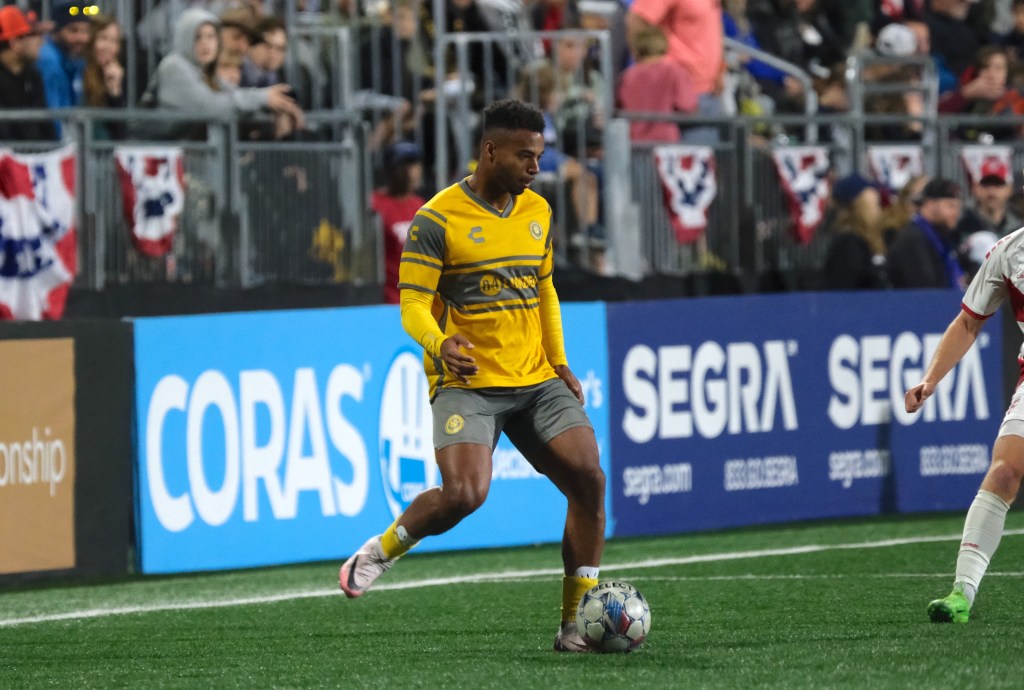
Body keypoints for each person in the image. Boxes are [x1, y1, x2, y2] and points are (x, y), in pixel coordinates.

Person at [338, 99, 606, 654]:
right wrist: (440, 343)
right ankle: (383, 549)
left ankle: (575, 623)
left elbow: (545, 290)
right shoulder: (437, 219)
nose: (535, 166)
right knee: (464, 495)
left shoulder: (538, 212)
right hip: (467, 382)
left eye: (541, 155)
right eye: (524, 155)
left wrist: (559, 360)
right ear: (489, 150)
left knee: (589, 480)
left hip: (535, 379)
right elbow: (412, 305)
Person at [907, 222, 1024, 624]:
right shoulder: (1009, 252)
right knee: (1005, 470)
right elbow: (969, 322)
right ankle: (962, 593)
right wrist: (931, 378)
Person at [617, 20, 697, 142]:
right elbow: (687, 105)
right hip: (665, 143)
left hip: (635, 143)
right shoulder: (674, 71)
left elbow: (619, 106)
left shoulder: (628, 76)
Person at [371, 141, 426, 304]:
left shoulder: (421, 206)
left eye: (414, 165)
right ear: (390, 170)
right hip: (388, 301)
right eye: (404, 166)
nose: (411, 172)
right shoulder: (374, 205)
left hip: (419, 301)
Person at [886, 177, 966, 289]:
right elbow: (925, 288)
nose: (956, 213)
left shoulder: (942, 236)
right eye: (950, 206)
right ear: (929, 204)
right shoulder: (913, 240)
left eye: (958, 207)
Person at [822, 173, 889, 289]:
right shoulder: (849, 242)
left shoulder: (868, 238)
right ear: (859, 205)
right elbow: (846, 287)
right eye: (874, 203)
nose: (878, 208)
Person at [0, 5, 57, 141]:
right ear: (14, 43)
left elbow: (46, 126)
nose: (41, 42)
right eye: (33, 35)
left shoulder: (33, 76)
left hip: (34, 159)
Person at [36, 0, 90, 109]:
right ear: (56, 32)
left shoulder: (72, 58)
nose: (82, 38)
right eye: (73, 31)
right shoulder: (48, 59)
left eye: (86, 31)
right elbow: (53, 114)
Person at [81, 13, 125, 139]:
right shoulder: (80, 72)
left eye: (115, 41)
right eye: (103, 38)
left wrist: (115, 91)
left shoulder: (109, 76)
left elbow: (120, 134)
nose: (109, 47)